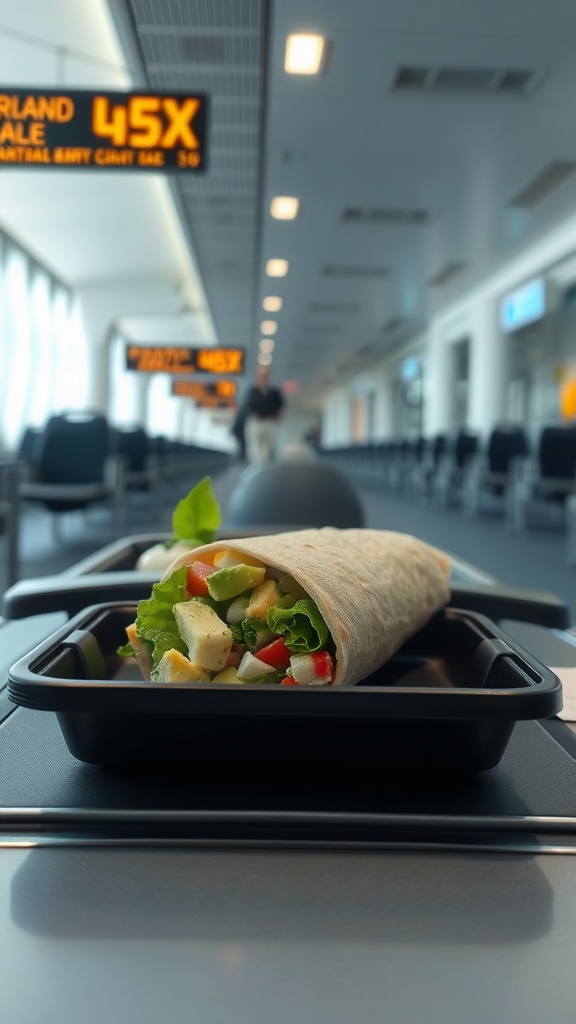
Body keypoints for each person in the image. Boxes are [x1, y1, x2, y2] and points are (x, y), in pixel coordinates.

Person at [244, 366, 285, 466]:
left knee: (269, 448)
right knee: (256, 448)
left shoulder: (274, 392)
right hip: (257, 423)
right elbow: (248, 407)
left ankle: (267, 467)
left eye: (265, 375)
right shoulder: (252, 391)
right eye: (260, 376)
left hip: (270, 423)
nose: (263, 378)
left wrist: (277, 417)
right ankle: (257, 466)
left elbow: (280, 408)